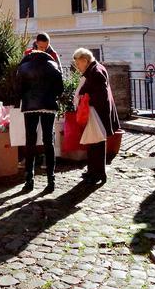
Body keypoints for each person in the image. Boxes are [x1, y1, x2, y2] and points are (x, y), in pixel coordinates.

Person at [15, 46, 64, 192]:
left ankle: (29, 179)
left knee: (30, 142)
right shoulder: (53, 66)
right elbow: (60, 89)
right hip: (49, 105)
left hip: (30, 106)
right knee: (49, 142)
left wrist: (24, 99)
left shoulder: (24, 67)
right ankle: (51, 180)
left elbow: (18, 89)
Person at [72, 48, 119, 184]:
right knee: (93, 143)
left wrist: (85, 98)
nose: (77, 67)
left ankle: (98, 173)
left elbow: (100, 95)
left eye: (78, 64)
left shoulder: (96, 72)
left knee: (97, 144)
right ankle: (93, 171)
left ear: (85, 61)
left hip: (97, 112)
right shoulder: (94, 69)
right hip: (96, 112)